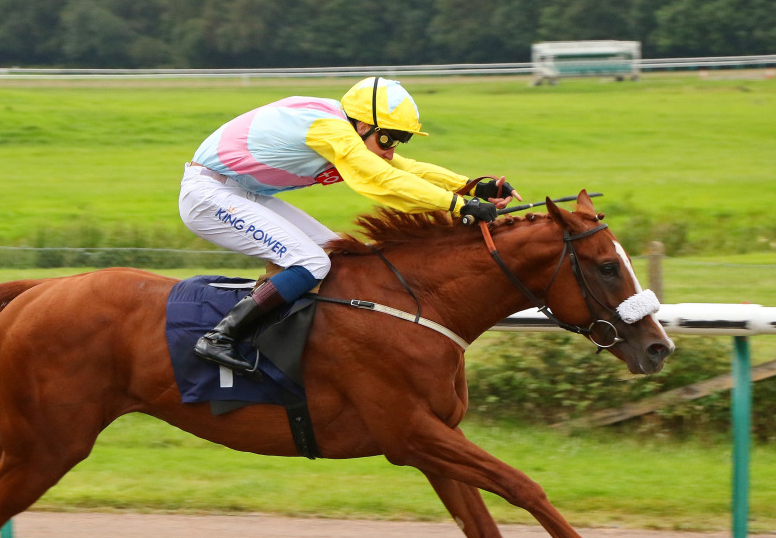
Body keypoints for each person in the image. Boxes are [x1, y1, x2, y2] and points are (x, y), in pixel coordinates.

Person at [178, 76, 520, 372]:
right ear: (362, 125)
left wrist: (473, 187)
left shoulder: (345, 128)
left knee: (340, 260)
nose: (391, 148)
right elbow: (382, 180)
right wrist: (459, 205)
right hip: (209, 195)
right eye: (387, 138)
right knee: (312, 262)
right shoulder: (330, 130)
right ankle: (221, 336)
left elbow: (406, 168)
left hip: (241, 191)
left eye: (400, 139)